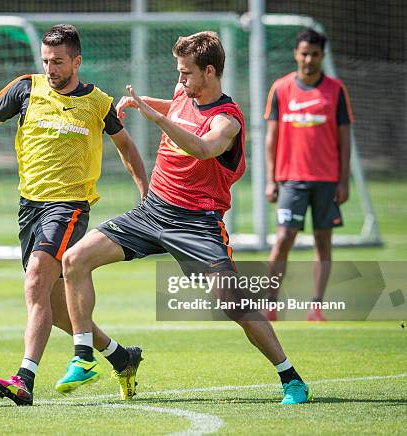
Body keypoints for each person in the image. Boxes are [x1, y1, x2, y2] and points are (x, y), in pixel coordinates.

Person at [56, 31, 312, 404]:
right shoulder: (182, 95)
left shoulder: (229, 120)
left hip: (197, 223)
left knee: (233, 303)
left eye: (186, 74)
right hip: (153, 211)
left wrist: (156, 118)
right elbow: (177, 108)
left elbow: (204, 147)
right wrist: (142, 102)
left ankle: (291, 379)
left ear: (209, 72)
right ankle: (83, 357)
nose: (180, 81)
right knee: (74, 259)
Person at [0, 24, 148, 405]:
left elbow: (126, 147)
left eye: (57, 62)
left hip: (70, 206)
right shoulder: (26, 87)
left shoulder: (98, 103)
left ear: (76, 61)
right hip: (30, 207)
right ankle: (122, 357)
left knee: (36, 279)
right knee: (57, 308)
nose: (50, 68)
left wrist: (144, 192)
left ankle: (24, 379)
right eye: (45, 61)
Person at [264, 29, 353, 322]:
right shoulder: (281, 88)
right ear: (296, 54)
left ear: (322, 56)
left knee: (323, 241)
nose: (309, 59)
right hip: (291, 178)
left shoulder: (336, 90)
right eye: (304, 53)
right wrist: (270, 179)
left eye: (314, 54)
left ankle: (316, 307)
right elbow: (271, 138)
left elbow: (345, 139)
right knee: (283, 238)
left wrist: (343, 180)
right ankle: (270, 303)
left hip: (327, 180)